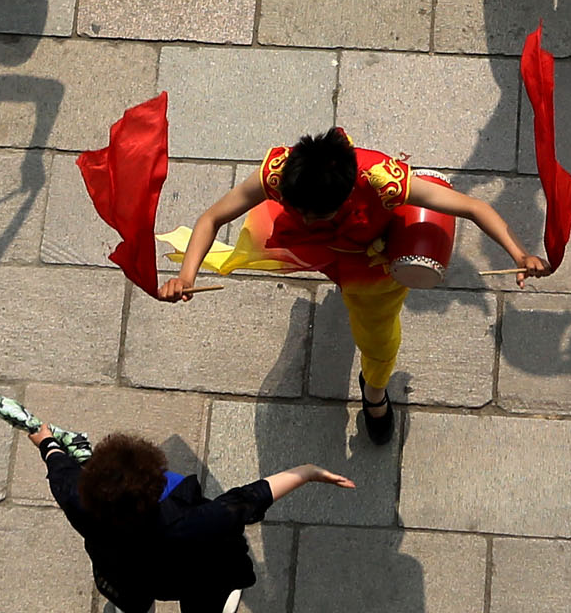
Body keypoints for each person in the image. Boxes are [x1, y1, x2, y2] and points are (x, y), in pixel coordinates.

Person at [159, 128, 545, 441]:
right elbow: (212, 218)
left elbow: (473, 207)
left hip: (368, 267)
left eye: (319, 213)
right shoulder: (279, 172)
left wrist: (519, 254)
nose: (308, 218)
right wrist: (187, 276)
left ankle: (374, 391)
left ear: (347, 193)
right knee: (259, 248)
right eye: (299, 210)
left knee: (379, 341)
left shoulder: (384, 182)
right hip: (308, 248)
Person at [32, 430, 352, 613]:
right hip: (192, 578)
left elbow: (60, 470)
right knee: (205, 606)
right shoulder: (194, 523)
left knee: (132, 607)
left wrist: (49, 443)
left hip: (121, 574)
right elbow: (250, 498)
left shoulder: (78, 501)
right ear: (157, 487)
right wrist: (308, 472)